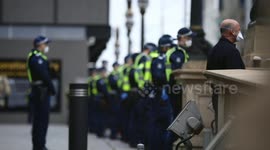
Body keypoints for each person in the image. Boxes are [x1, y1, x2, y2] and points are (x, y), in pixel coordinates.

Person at [207, 19, 245, 134]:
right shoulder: (231, 51)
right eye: (238, 30)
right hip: (230, 101)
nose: (240, 32)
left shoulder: (214, 49)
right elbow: (239, 77)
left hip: (217, 97)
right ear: (232, 32)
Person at [145, 35, 174, 150]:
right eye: (169, 46)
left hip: (161, 94)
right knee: (159, 124)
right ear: (164, 47)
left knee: (161, 124)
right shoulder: (158, 59)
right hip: (159, 94)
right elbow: (158, 76)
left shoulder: (162, 58)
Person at [27, 35, 56, 150]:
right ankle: (39, 146)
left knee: (41, 120)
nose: (47, 46)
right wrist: (52, 88)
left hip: (42, 91)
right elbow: (44, 75)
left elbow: (49, 73)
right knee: (41, 120)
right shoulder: (36, 57)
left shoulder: (41, 57)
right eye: (46, 44)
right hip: (40, 92)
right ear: (40, 45)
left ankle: (39, 145)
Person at [166, 27, 195, 118]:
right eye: (189, 38)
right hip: (176, 88)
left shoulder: (183, 51)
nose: (191, 40)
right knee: (178, 117)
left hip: (182, 88)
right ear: (182, 38)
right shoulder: (176, 53)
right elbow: (179, 72)